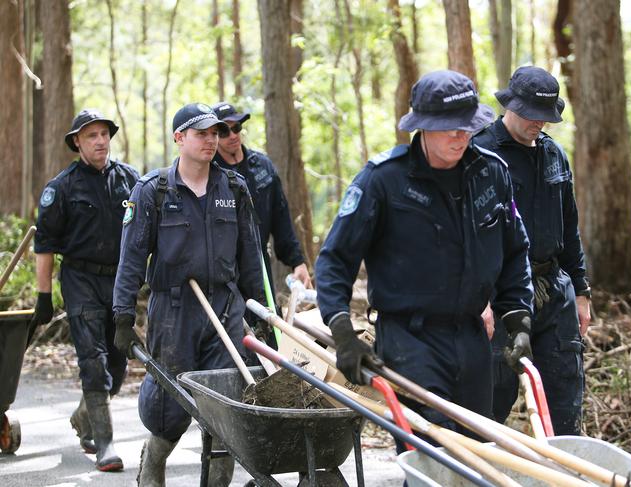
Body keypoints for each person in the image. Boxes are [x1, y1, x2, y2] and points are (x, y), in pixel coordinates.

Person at [315, 70, 534, 444]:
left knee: (478, 451)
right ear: (423, 128)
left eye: (466, 126)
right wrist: (342, 332)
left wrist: (518, 318)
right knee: (430, 454)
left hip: (472, 339)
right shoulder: (383, 181)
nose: (460, 135)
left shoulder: (491, 173)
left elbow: (515, 251)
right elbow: (335, 260)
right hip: (410, 341)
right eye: (448, 127)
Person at [112, 102, 265, 486]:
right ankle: (153, 463)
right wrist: (122, 316)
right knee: (169, 405)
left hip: (225, 310)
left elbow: (251, 257)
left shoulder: (234, 188)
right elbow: (131, 258)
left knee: (226, 407)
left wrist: (261, 314)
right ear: (179, 138)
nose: (212, 140)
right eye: (202, 134)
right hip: (174, 310)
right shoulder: (153, 192)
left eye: (215, 133)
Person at [473, 66, 591, 435]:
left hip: (554, 288)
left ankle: (561, 472)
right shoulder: (480, 153)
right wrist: (478, 298)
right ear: (510, 104)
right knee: (491, 398)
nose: (537, 123)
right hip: (501, 289)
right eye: (529, 115)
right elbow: (466, 235)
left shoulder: (555, 156)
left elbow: (569, 227)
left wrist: (582, 291)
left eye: (545, 117)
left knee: (564, 398)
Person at [32, 109, 140, 471]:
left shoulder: (130, 180)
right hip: (79, 280)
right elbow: (44, 246)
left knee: (118, 361)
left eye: (104, 134)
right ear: (77, 142)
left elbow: (146, 232)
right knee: (93, 362)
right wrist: (43, 297)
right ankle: (105, 443)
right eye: (91, 135)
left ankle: (85, 415)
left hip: (119, 281)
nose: (100, 141)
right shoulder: (61, 188)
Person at [212, 101, 312, 303]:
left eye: (237, 128)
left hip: (259, 264)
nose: (233, 135)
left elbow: (281, 218)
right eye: (224, 132)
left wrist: (297, 262)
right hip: (223, 270)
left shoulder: (262, 167)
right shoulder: (209, 174)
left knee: (268, 324)